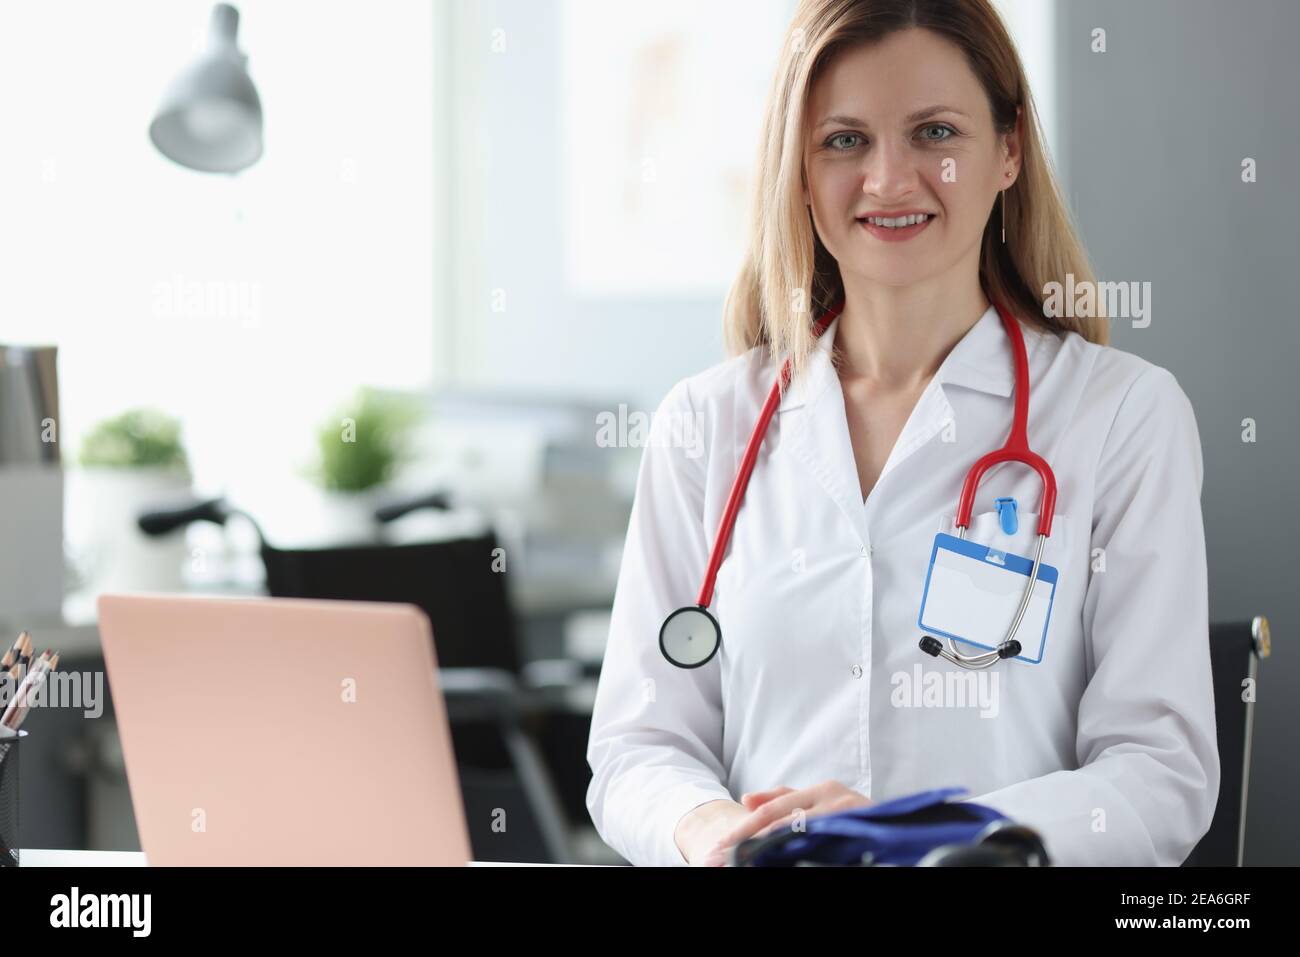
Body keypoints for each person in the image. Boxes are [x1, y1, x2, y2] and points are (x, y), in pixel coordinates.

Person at [585, 0, 1218, 867]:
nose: (888, 179)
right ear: (798, 174)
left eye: (935, 133)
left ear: (1009, 150)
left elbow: (1160, 772)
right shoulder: (704, 425)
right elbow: (635, 747)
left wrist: (924, 835)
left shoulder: (1121, 417)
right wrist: (712, 832)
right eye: (844, 140)